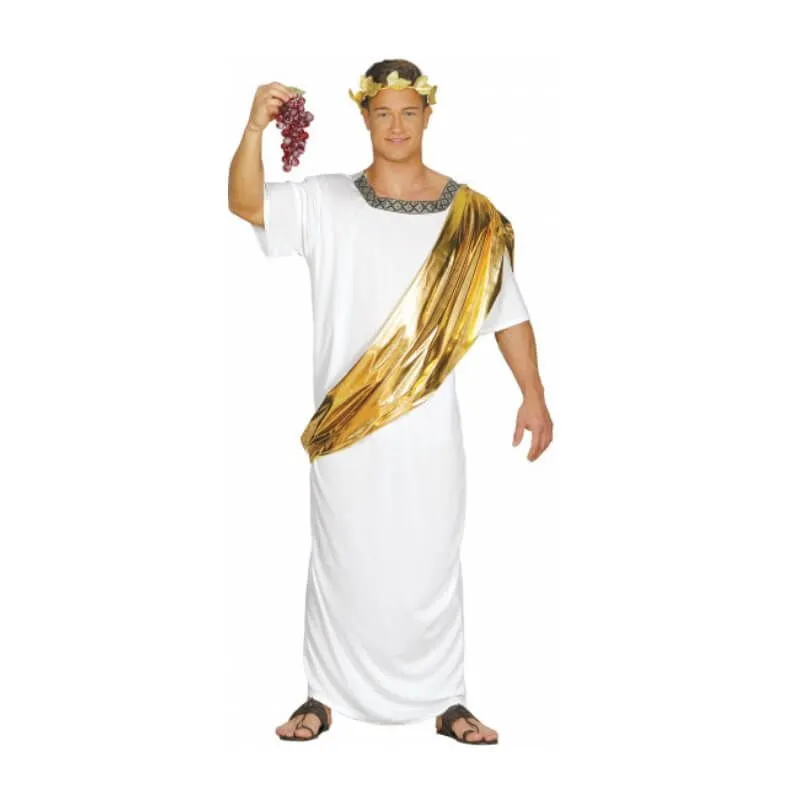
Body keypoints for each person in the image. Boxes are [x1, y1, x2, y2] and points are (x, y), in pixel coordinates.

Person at [227, 59, 553, 745]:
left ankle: (448, 699)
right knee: (342, 559)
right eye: (383, 113)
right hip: (348, 429)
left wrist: (533, 395)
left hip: (429, 430)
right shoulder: (325, 200)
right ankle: (321, 696)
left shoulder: (471, 217)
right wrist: (255, 127)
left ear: (428, 116)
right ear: (365, 118)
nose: (397, 126)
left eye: (409, 112)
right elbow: (247, 203)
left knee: (431, 561)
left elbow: (508, 311)